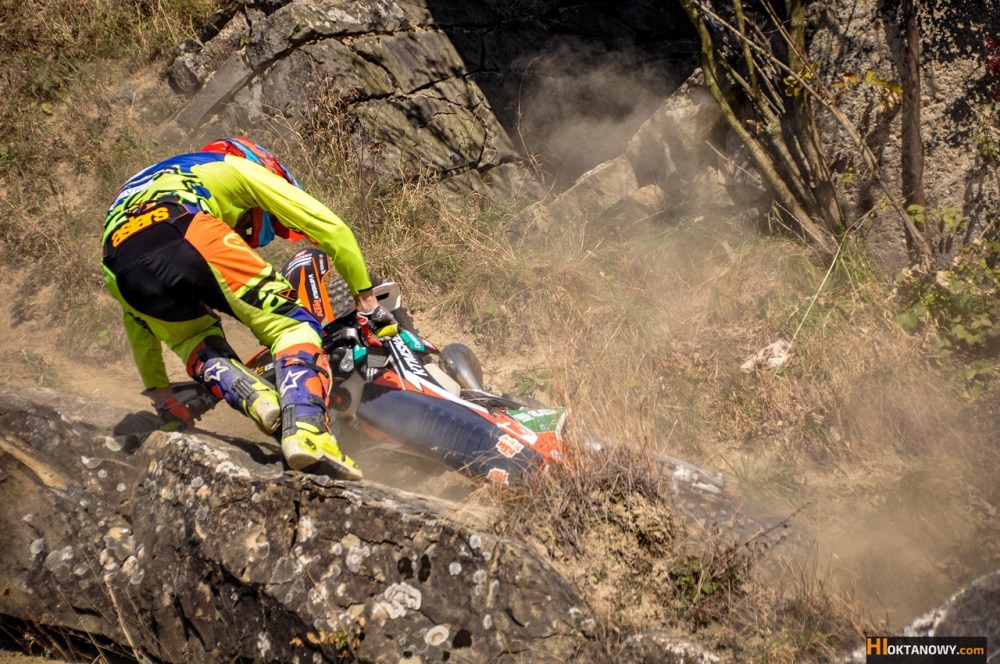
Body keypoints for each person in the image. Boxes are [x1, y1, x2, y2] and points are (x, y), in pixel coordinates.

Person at [101, 137, 397, 480]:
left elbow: (136, 321)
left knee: (193, 339)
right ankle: (307, 431)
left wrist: (162, 394)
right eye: (250, 227)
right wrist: (367, 301)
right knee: (291, 325)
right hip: (188, 227)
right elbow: (329, 226)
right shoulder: (236, 166)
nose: (244, 234)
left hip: (117, 266)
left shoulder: (144, 187)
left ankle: (261, 402)